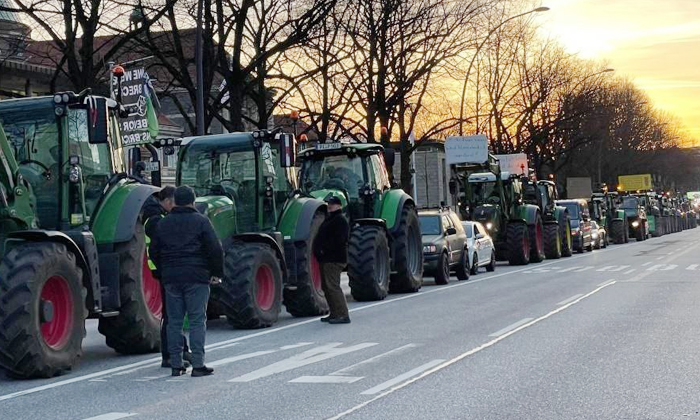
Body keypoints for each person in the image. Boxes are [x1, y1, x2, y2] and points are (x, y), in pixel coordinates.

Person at [151, 186, 224, 377]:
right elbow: (215, 249)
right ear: (192, 201)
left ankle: (176, 364)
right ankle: (198, 364)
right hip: (197, 277)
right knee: (197, 321)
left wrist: (164, 269)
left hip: (171, 278)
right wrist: (216, 272)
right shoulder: (201, 221)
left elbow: (154, 252)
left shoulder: (163, 224)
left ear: (175, 201)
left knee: (174, 322)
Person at [143, 186, 193, 369]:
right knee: (172, 315)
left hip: (165, 270)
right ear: (169, 202)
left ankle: (181, 349)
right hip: (166, 271)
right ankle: (170, 355)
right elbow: (162, 247)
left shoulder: (156, 217)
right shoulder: (156, 220)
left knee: (175, 313)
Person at [313, 195, 351, 324]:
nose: (330, 206)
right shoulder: (330, 219)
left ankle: (343, 314)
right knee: (326, 286)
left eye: (333, 204)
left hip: (334, 259)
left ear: (339, 206)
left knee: (333, 286)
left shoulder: (340, 220)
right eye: (329, 203)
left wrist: (325, 249)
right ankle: (334, 313)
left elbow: (340, 240)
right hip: (327, 259)